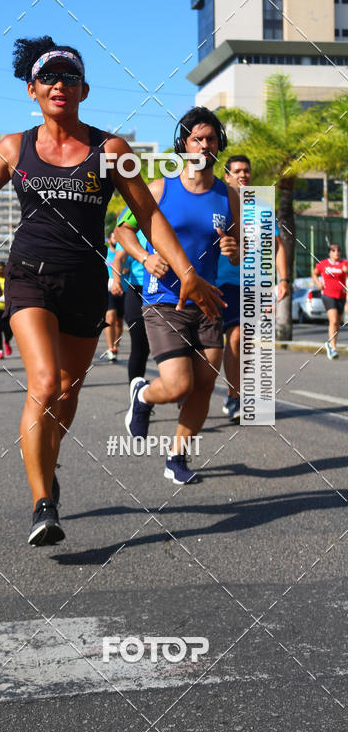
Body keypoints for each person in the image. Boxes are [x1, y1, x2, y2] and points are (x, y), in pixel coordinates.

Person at [0, 36, 224, 545]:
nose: (59, 85)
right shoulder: (12, 147)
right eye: (48, 78)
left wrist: (186, 271)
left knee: (65, 393)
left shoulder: (112, 150)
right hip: (28, 277)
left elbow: (149, 216)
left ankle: (47, 462)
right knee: (42, 384)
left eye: (68, 77)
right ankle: (44, 504)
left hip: (84, 283)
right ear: (32, 91)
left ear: (84, 89)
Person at [120, 106, 240, 484]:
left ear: (220, 143)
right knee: (178, 385)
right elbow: (121, 231)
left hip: (209, 301)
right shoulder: (161, 188)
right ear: (183, 144)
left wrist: (237, 249)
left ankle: (177, 457)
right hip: (164, 300)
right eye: (197, 139)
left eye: (211, 139)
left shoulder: (229, 195)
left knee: (204, 386)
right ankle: (142, 397)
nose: (205, 145)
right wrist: (144, 255)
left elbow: (240, 242)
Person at [217, 155, 290, 419]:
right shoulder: (218, 204)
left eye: (246, 171)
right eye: (236, 171)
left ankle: (234, 396)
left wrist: (283, 279)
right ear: (227, 176)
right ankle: (197, 387)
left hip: (252, 282)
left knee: (242, 338)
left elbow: (278, 246)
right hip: (218, 281)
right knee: (216, 342)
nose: (243, 175)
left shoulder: (262, 208)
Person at [111, 215, 150, 382]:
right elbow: (119, 258)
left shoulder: (166, 222)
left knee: (176, 346)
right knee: (140, 345)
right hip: (137, 289)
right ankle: (135, 399)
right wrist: (117, 280)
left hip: (165, 290)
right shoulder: (130, 229)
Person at [313, 243, 347, 359]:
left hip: (341, 296)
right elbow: (314, 273)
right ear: (329, 252)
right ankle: (333, 349)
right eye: (333, 250)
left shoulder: (344, 264)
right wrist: (318, 283)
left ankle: (331, 344)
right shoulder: (323, 264)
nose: (336, 252)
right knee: (333, 321)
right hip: (328, 295)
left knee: (337, 323)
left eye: (338, 250)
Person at [104, 230, 127, 361]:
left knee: (119, 322)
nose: (116, 239)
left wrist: (126, 269)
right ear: (109, 239)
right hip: (107, 290)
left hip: (123, 289)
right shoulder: (105, 253)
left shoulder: (123, 253)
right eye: (113, 237)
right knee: (110, 318)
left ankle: (115, 345)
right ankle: (110, 347)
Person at [0, 261, 13, 358]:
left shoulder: (9, 278)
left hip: (8, 308)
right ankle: (0, 350)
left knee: (9, 330)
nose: (0, 272)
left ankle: (7, 341)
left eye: (2, 271)